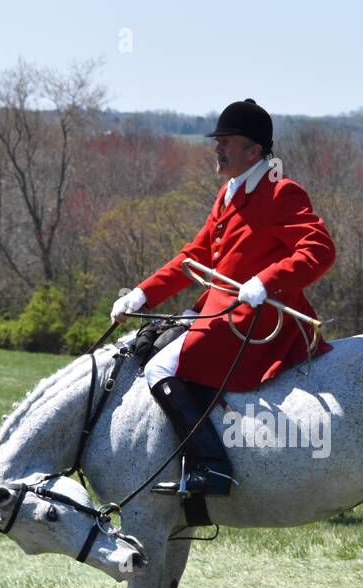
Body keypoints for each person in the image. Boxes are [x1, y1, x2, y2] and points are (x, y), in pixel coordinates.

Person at [109, 99, 335, 498]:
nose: (217, 148)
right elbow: (194, 257)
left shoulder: (281, 192)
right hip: (219, 310)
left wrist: (266, 281)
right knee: (149, 345)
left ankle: (212, 467)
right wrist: (142, 294)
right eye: (217, 141)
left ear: (253, 150)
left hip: (257, 319)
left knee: (162, 368)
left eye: (226, 142)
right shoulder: (228, 193)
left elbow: (319, 250)